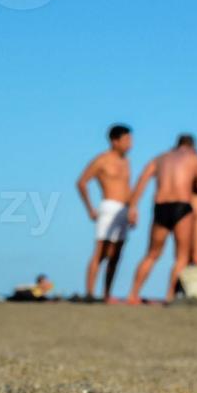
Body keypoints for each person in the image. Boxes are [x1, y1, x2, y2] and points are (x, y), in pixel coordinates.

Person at [125, 134, 197, 305]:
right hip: (181, 206)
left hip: (160, 207)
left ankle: (133, 294)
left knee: (151, 254)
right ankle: (170, 296)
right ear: (192, 146)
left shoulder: (160, 158)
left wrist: (133, 207)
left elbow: (142, 180)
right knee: (181, 257)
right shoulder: (195, 158)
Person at [75, 124, 134, 300]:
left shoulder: (126, 162)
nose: (130, 144)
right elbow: (82, 182)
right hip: (108, 207)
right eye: (126, 140)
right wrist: (90, 209)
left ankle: (107, 293)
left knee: (116, 254)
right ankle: (90, 292)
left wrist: (132, 209)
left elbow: (128, 187)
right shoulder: (102, 160)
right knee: (101, 251)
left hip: (124, 209)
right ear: (114, 141)